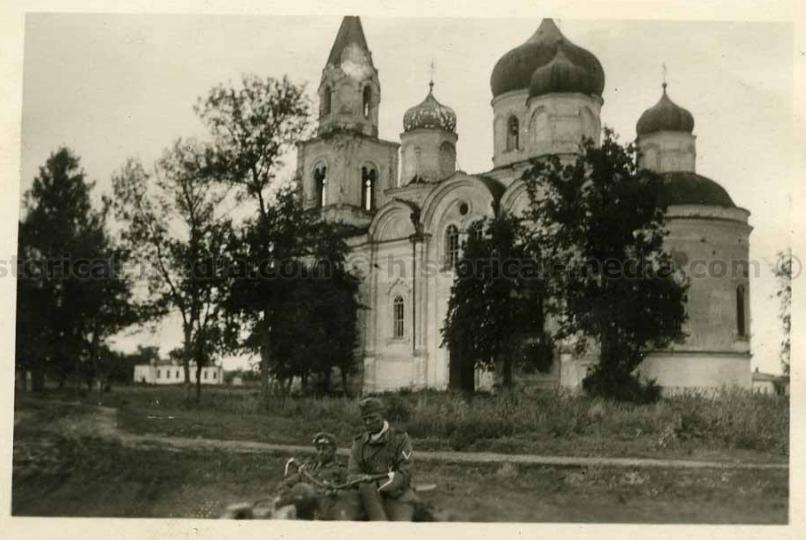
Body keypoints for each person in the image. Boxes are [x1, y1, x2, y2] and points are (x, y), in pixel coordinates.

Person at [348, 397, 417, 521]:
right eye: (365, 419)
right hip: (365, 496)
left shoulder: (399, 439)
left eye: (372, 418)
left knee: (401, 526)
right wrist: (366, 485)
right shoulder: (359, 443)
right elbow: (352, 475)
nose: (368, 422)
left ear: (382, 415)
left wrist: (377, 486)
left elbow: (405, 473)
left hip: (396, 495)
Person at [278, 431, 351, 519]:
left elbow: (348, 494)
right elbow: (286, 484)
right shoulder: (309, 469)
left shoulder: (341, 471)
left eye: (324, 448)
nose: (321, 452)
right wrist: (292, 496)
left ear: (333, 450)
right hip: (304, 511)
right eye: (319, 449)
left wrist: (334, 492)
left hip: (325, 514)